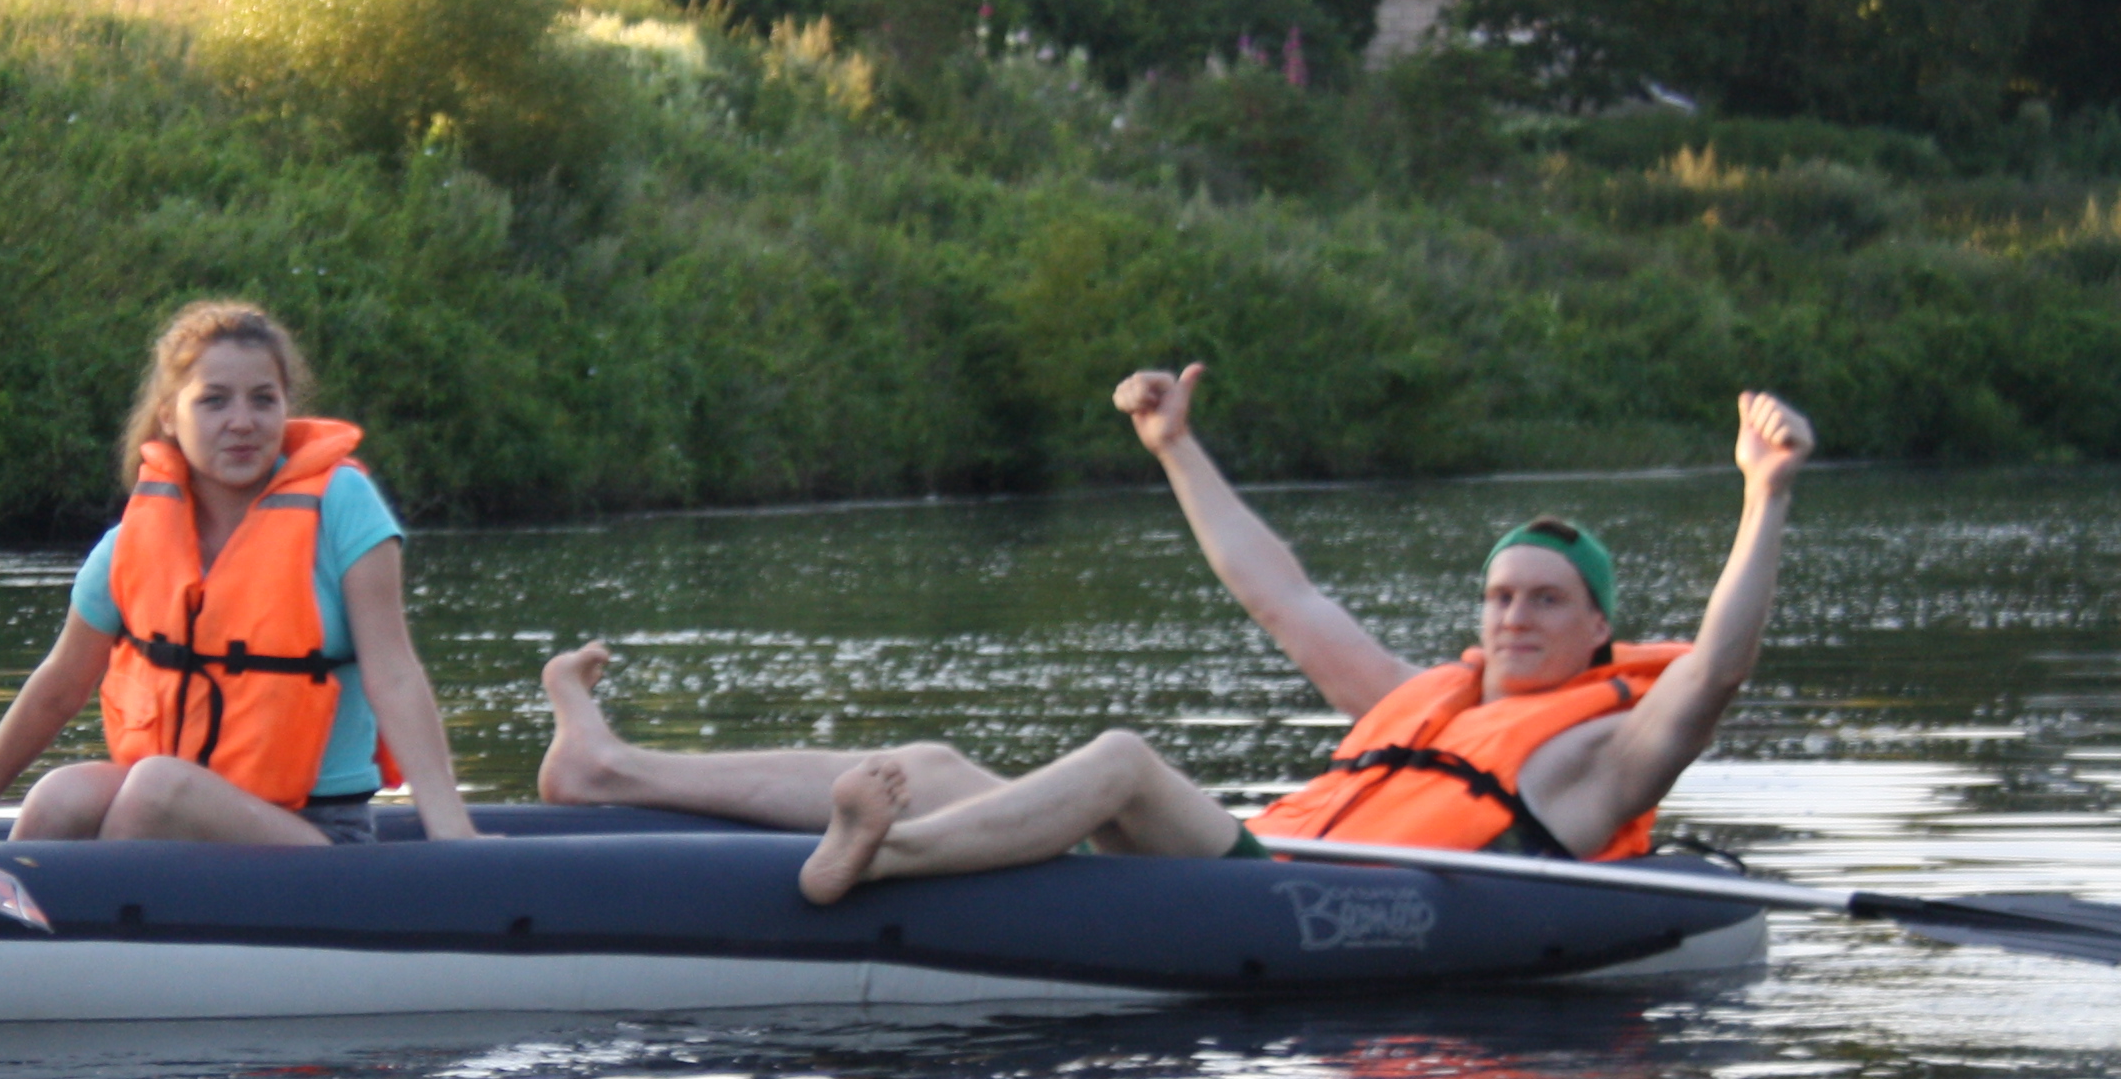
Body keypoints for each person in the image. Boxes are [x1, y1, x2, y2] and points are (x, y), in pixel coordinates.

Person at [545, 366, 1816, 905]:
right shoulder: (1425, 698)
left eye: (1546, 601)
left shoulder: (1595, 758)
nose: (1515, 617)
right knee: (931, 753)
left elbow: (1711, 677)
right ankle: (611, 770)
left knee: (1122, 759)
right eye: (1499, 596)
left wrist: (1762, 497)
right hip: (1251, 865)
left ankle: (875, 860)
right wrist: (1175, 449)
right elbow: (1283, 592)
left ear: (1598, 626)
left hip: (1298, 908)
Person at [0, 300, 479, 848]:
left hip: (316, 834)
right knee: (61, 795)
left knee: (155, 789)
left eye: (263, 399)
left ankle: (103, 944)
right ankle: (32, 946)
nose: (242, 421)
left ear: (286, 407)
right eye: (214, 400)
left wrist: (451, 833)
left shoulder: (343, 505)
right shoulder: (129, 546)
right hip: (168, 807)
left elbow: (395, 674)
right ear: (169, 416)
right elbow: (60, 687)